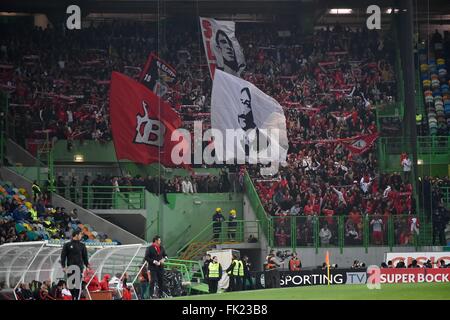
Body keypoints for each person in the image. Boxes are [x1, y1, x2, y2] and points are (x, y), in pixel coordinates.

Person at [60, 229, 90, 300]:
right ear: (76, 235)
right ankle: (73, 297)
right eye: (80, 234)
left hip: (79, 268)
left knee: (77, 285)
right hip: (70, 268)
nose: (81, 236)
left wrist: (87, 266)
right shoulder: (67, 245)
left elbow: (85, 257)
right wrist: (63, 266)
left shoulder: (82, 245)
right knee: (70, 285)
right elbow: (63, 256)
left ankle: (76, 298)